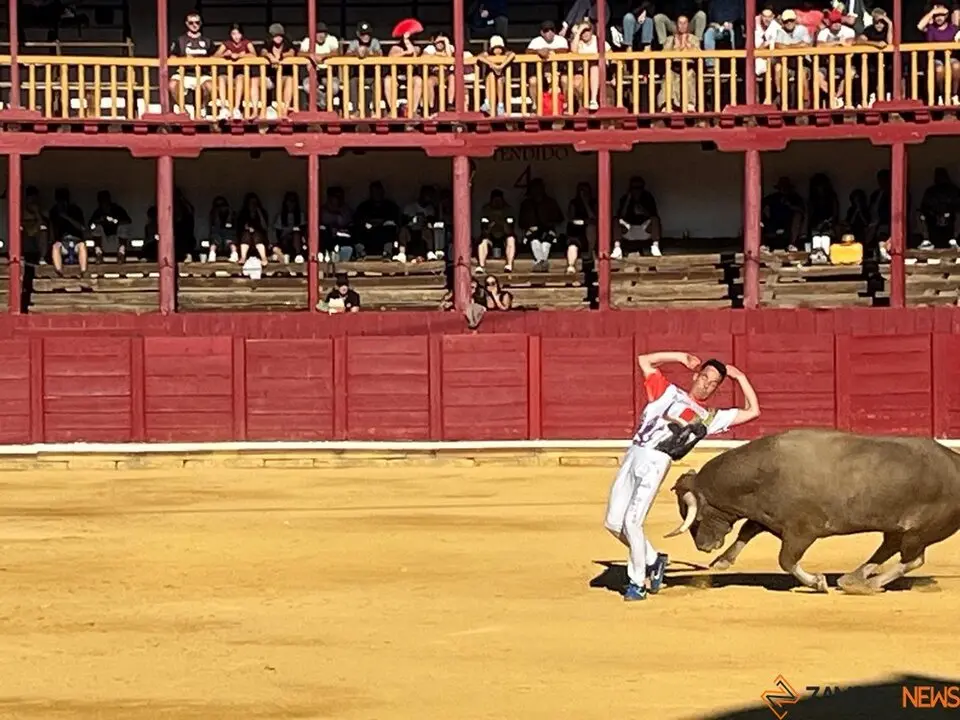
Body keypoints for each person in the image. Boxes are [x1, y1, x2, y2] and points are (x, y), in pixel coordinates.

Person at [604, 351, 760, 601]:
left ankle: (637, 583)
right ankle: (653, 560)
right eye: (705, 378)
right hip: (634, 453)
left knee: (632, 522)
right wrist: (680, 357)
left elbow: (753, 411)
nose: (707, 385)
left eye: (713, 384)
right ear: (696, 376)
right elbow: (644, 360)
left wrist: (740, 377)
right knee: (613, 523)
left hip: (657, 461)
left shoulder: (709, 417)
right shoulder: (667, 392)